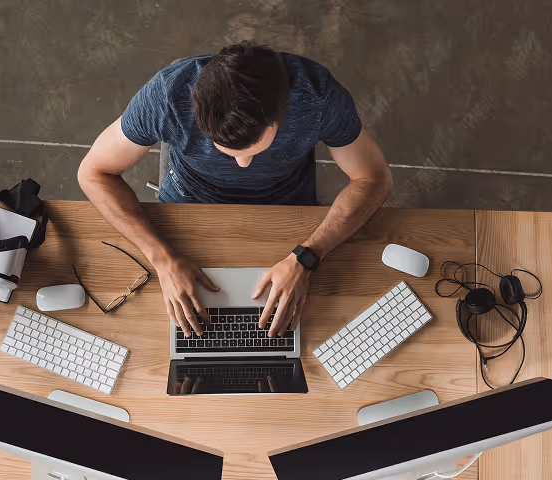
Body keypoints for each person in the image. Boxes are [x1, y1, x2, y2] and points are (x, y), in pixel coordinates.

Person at [78, 42, 392, 341]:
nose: (243, 165)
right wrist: (160, 258)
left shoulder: (316, 97)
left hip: (286, 203)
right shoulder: (166, 97)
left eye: (252, 150)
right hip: (189, 200)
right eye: (228, 151)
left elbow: (373, 179)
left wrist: (307, 257)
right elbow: (93, 173)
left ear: (280, 117)